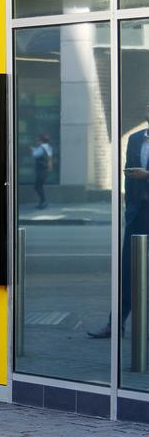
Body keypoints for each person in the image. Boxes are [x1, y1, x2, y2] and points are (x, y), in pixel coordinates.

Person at [89, 103, 149, 338]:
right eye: (147, 107)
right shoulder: (135, 139)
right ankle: (115, 323)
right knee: (128, 271)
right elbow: (128, 176)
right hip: (138, 214)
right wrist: (129, 209)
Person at [29, 134, 53, 209]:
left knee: (37, 186)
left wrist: (32, 150)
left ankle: (44, 201)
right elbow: (49, 157)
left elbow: (35, 155)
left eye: (38, 140)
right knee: (39, 186)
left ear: (41, 141)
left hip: (41, 170)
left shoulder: (41, 148)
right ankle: (42, 201)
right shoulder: (48, 147)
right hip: (45, 170)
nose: (37, 141)